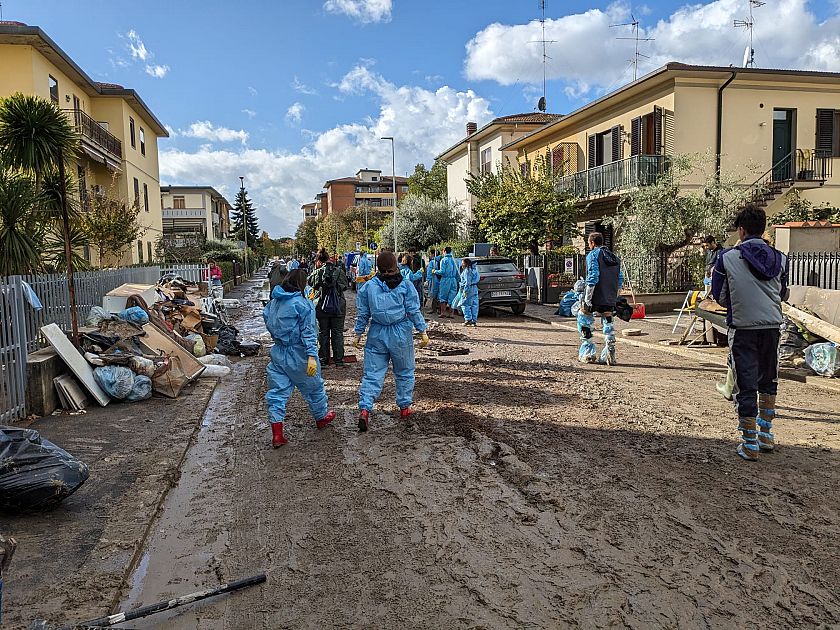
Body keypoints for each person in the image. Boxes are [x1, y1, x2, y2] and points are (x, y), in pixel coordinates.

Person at [712, 204, 787, 462]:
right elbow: (782, 293)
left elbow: (719, 295)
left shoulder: (727, 257)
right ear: (763, 229)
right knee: (769, 380)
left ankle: (749, 442)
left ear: (741, 230)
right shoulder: (780, 258)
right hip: (772, 327)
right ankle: (766, 434)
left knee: (746, 383)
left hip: (743, 327)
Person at [353, 251, 429, 432]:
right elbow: (413, 310)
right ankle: (404, 408)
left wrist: (358, 333)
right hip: (400, 333)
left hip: (377, 333)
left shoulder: (369, 287)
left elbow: (363, 314)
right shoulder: (406, 285)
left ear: (378, 268)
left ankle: (365, 409)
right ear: (396, 266)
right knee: (404, 371)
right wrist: (422, 330)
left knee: (372, 374)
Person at [263, 269, 336, 448]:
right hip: (300, 353)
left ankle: (277, 434)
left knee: (277, 393)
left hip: (279, 353)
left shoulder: (273, 303)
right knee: (314, 388)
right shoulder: (302, 304)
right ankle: (321, 417)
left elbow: (268, 322)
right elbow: (309, 332)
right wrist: (312, 354)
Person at [578, 232, 623, 365]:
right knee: (608, 321)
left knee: (583, 318)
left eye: (588, 242)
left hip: (595, 295)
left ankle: (588, 353)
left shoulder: (593, 255)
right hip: (610, 296)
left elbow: (593, 276)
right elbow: (620, 278)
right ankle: (610, 353)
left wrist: (587, 298)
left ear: (592, 243)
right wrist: (615, 296)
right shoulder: (614, 257)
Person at [308, 249, 349, 366]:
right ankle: (339, 361)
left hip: (322, 306)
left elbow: (310, 283)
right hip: (338, 306)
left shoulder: (318, 272)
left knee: (323, 333)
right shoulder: (339, 271)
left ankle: (323, 360)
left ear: (319, 261)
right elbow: (345, 286)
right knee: (337, 333)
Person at [434, 246, 459, 319]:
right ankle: (451, 313)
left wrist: (435, 271)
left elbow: (442, 272)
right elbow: (457, 272)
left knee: (442, 297)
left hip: (445, 280)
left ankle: (443, 312)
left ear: (444, 251)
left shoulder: (444, 260)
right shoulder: (455, 260)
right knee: (452, 297)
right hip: (453, 280)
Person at [459, 258, 480, 327]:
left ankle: (468, 319)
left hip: (469, 289)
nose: (461, 264)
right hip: (474, 288)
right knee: (474, 305)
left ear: (465, 264)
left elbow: (467, 282)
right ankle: (474, 320)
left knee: (465, 304)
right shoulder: (475, 270)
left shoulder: (467, 271)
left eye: (462, 263)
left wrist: (465, 291)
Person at [426, 249, 440, 314]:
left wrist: (428, 279)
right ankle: (437, 309)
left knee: (434, 295)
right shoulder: (438, 261)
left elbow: (430, 272)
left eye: (430, 254)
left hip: (433, 279)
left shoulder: (434, 262)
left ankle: (434, 309)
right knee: (436, 295)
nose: (430, 255)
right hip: (435, 279)